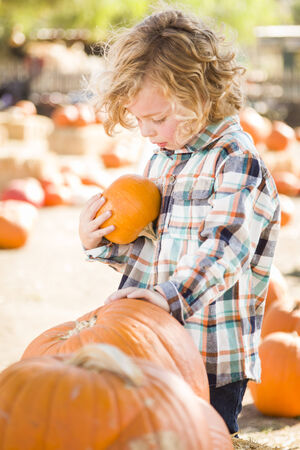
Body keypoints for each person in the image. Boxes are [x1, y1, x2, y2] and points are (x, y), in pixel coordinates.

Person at [79, 7, 280, 436]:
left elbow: (226, 249)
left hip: (207, 358)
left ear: (201, 96)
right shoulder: (162, 159)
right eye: (139, 121)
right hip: (147, 344)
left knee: (197, 440)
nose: (148, 132)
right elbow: (149, 249)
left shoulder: (236, 161)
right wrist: (102, 240)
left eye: (158, 118)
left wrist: (169, 297)